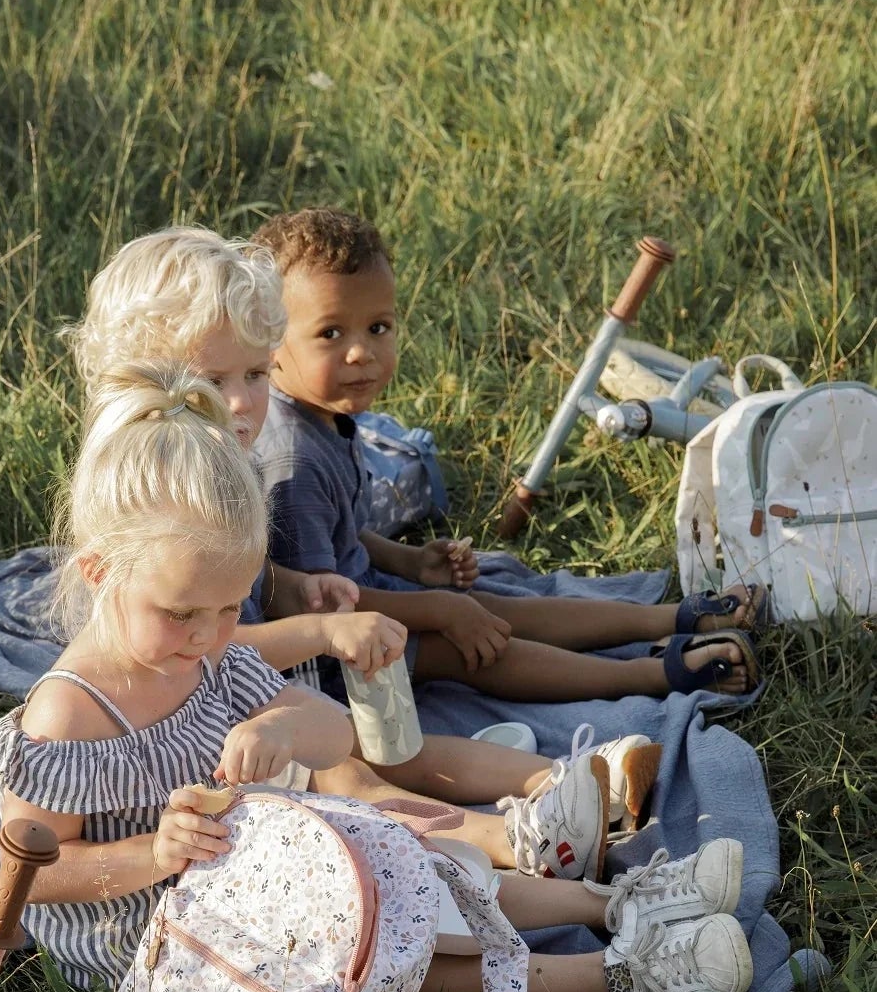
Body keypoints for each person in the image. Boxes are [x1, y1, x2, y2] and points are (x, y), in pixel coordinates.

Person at [0, 362, 756, 992]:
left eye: (226, 606)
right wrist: (153, 854)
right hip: (162, 936)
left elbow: (335, 739)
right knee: (368, 949)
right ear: (101, 571)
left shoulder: (198, 655)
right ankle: (623, 974)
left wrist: (280, 724)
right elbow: (33, 875)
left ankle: (604, 904)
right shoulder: (69, 713)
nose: (210, 634)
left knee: (397, 857)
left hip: (257, 873)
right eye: (181, 613)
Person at [65, 223, 665, 875]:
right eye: (212, 379)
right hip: (189, 717)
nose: (239, 401)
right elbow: (190, 641)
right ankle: (518, 841)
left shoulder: (215, 458)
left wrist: (294, 587)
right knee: (353, 777)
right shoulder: (153, 491)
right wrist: (319, 629)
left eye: (256, 372)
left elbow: (230, 584)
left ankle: (570, 787)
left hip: (251, 682)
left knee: (377, 744)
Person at [251, 206, 767, 736]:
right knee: (475, 647)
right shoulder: (293, 461)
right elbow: (316, 603)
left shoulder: (324, 415)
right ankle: (652, 674)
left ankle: (671, 618)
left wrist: (410, 564)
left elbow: (338, 538)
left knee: (485, 608)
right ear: (268, 344)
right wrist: (437, 611)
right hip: (336, 659)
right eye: (331, 333)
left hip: (366, 600)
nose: (362, 352)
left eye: (378, 327)